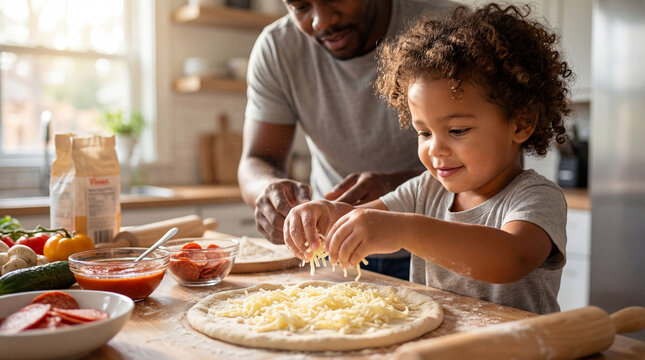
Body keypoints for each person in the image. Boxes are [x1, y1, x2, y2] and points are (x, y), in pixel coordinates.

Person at [283, 3, 573, 314]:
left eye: (458, 130)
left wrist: (404, 230)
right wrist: (323, 216)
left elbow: (511, 258)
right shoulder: (426, 190)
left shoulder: (535, 197)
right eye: (424, 133)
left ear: (521, 123)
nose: (435, 149)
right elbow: (360, 219)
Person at [238, 0, 457, 280]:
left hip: (439, 247)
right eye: (300, 6)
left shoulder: (450, 29)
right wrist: (268, 193)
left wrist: (398, 191)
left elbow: (498, 163)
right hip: (334, 250)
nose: (321, 22)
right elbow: (257, 160)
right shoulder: (277, 48)